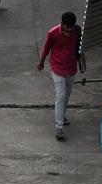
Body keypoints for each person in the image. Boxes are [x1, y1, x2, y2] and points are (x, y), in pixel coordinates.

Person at [36, 12, 85, 140]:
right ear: (62, 24)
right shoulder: (53, 33)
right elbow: (46, 49)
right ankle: (59, 127)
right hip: (58, 67)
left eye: (71, 27)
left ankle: (62, 115)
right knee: (60, 95)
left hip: (71, 68)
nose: (69, 30)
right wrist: (41, 63)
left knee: (66, 95)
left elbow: (80, 48)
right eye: (67, 27)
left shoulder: (77, 31)